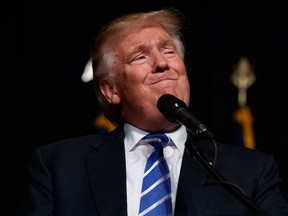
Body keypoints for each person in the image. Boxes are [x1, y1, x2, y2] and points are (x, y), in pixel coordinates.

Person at [18, 8, 288, 216]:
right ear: (111, 90)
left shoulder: (251, 172)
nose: (162, 63)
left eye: (169, 51)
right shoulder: (59, 167)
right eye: (140, 56)